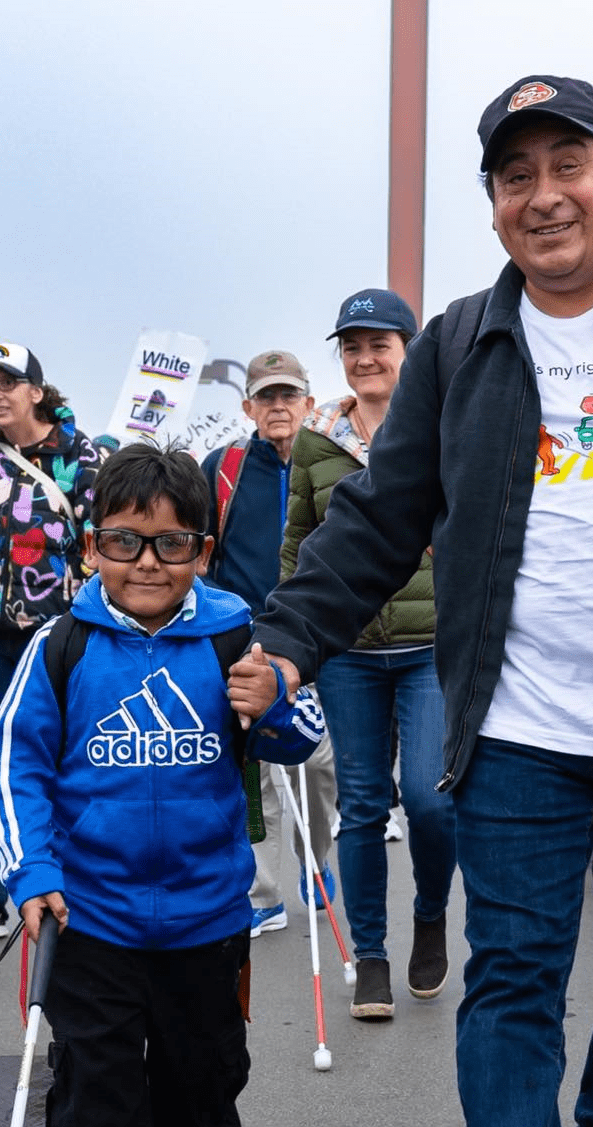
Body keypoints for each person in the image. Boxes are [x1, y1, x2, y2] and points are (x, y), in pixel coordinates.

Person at [229, 74, 593, 1127]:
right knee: (512, 976)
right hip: (517, 726)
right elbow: (382, 517)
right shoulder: (458, 344)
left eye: (569, 164)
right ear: (493, 205)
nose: (544, 196)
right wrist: (284, 642)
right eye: (514, 176)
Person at [0, 444, 325, 1127]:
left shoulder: (230, 631)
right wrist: (33, 870)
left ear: (203, 553)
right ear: (92, 548)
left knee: (204, 1070)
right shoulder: (61, 645)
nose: (147, 564)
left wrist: (278, 696)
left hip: (208, 914)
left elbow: (298, 743)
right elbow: (12, 761)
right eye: (125, 543)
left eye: (171, 546)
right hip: (89, 914)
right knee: (94, 1083)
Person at [280, 287, 457, 1022]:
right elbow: (297, 546)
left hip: (428, 647)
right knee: (359, 807)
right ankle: (374, 956)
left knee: (428, 799)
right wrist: (290, 643)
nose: (364, 358)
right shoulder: (315, 441)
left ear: (408, 351)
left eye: (379, 344)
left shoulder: (441, 425)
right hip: (349, 651)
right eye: (351, 347)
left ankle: (430, 916)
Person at [0, 342, 105, 944]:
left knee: (66, 755)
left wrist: (91, 624)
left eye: (8, 383)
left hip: (59, 635)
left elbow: (99, 544)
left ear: (37, 393)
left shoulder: (82, 458)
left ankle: (68, 879)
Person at [201, 350, 338, 939]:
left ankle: (317, 857)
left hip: (320, 631)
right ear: (247, 406)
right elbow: (201, 547)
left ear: (309, 402)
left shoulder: (332, 460)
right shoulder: (223, 466)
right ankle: (261, 893)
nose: (278, 407)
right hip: (248, 636)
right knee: (252, 767)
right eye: (266, 397)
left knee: (319, 759)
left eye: (289, 396)